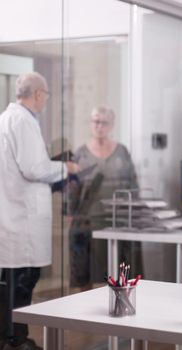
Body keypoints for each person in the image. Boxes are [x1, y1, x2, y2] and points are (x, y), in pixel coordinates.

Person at [0, 72, 79, 350]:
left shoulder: (11, 119)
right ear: (37, 94)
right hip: (21, 219)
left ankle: (14, 336)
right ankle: (14, 339)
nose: (46, 100)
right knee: (21, 283)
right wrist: (65, 168)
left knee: (17, 283)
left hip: (16, 215)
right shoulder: (21, 120)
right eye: (45, 94)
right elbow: (34, 168)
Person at [68, 106, 140, 291]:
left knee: (120, 273)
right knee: (85, 273)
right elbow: (73, 188)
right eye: (95, 121)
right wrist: (70, 213)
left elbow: (133, 185)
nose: (99, 126)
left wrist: (137, 213)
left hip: (118, 221)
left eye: (103, 122)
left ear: (111, 125)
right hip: (88, 222)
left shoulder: (122, 152)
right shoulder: (81, 153)